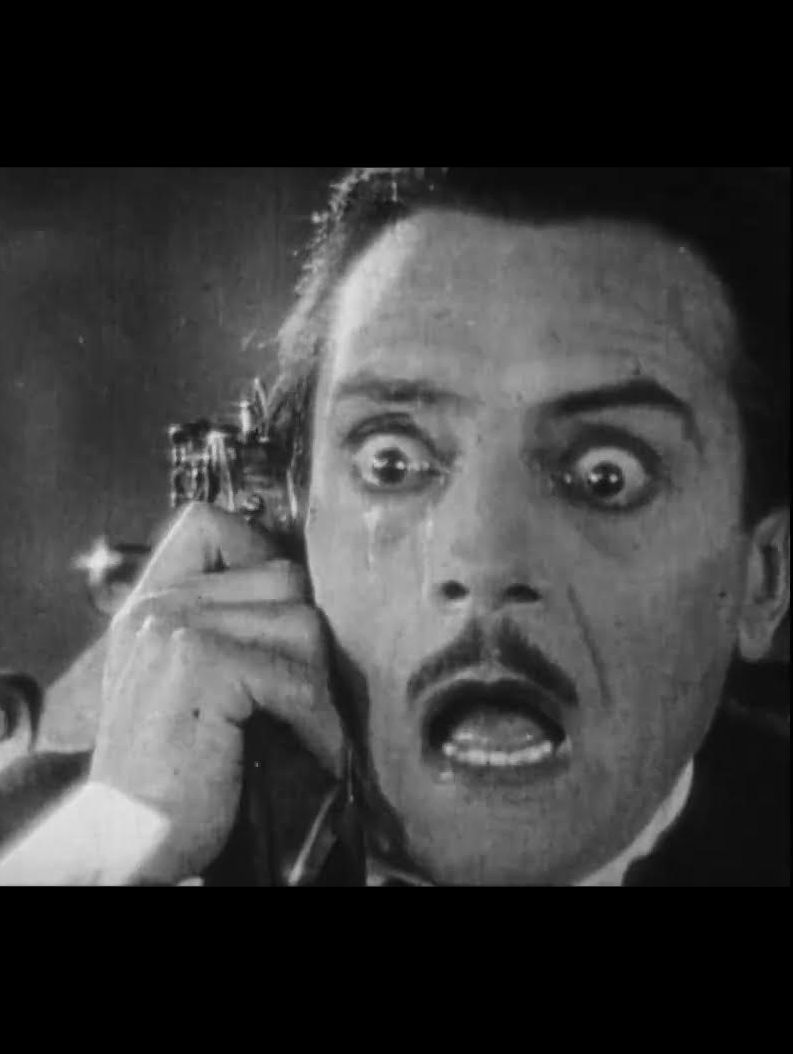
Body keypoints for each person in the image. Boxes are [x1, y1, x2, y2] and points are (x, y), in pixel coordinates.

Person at [0, 167, 789, 886]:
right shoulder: (52, 843)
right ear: (293, 521)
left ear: (764, 581)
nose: (482, 560)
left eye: (605, 478)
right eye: (391, 463)